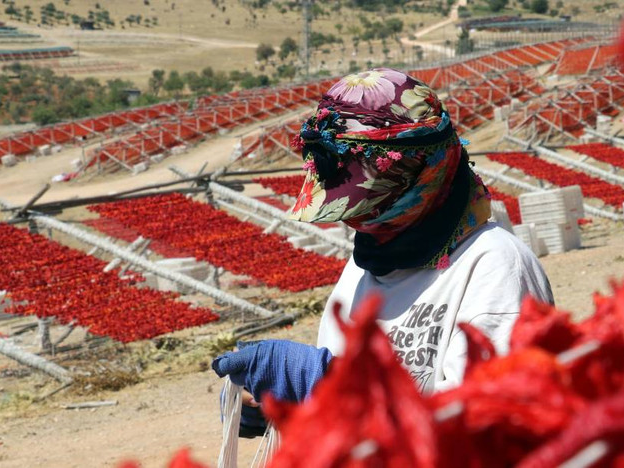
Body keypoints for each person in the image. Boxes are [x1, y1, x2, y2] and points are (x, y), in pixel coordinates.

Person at [212, 68, 553, 419]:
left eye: (373, 206)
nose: (357, 223)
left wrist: (328, 383)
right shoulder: (364, 267)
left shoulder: (494, 269)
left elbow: (487, 425)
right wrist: (284, 408)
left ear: (423, 178)